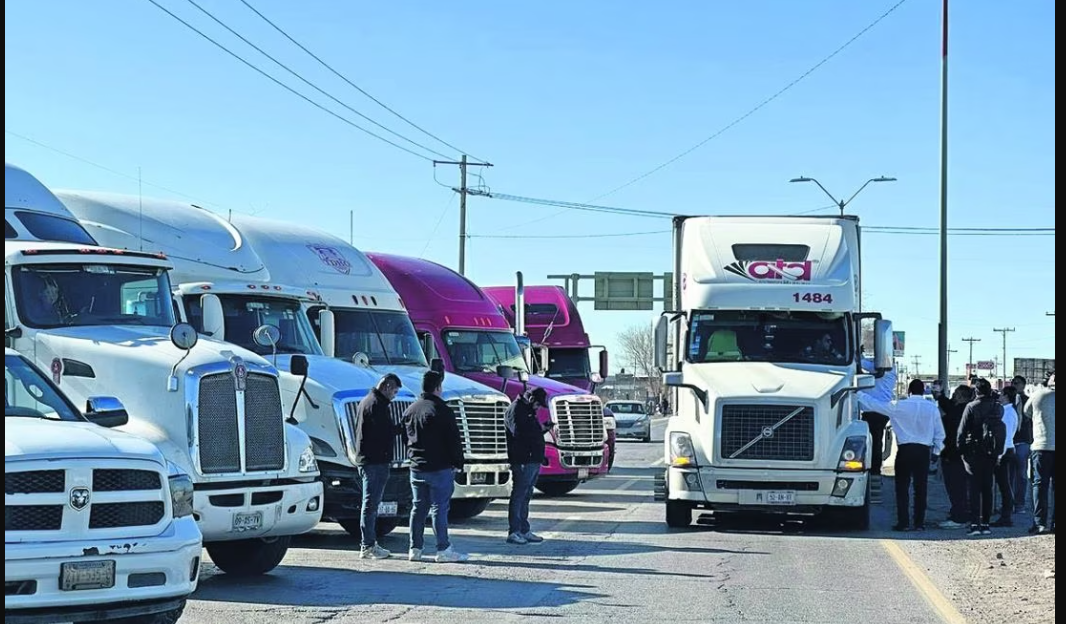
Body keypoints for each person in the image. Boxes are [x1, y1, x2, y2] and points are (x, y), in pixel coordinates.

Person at [859, 378, 945, 531]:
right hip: (924, 451)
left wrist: (858, 394)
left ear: (909, 391)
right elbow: (940, 433)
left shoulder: (899, 405)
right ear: (922, 390)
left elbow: (875, 405)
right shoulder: (932, 408)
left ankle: (903, 523)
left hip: (905, 450)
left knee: (902, 488)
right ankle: (919, 523)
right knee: (921, 488)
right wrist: (937, 452)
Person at [403, 370, 468, 562]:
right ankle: (443, 549)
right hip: (439, 467)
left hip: (416, 467)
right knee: (439, 508)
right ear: (438, 387)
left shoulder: (411, 410)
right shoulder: (442, 410)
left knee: (418, 508)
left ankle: (415, 548)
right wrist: (458, 462)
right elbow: (453, 440)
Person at [353, 373, 403, 560]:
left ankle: (369, 543)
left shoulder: (366, 401)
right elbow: (385, 432)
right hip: (375, 461)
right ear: (387, 387)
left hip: (368, 460)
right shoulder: (377, 405)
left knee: (370, 503)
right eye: (395, 392)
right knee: (371, 504)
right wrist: (402, 427)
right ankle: (368, 545)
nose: (394, 396)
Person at [504, 387, 555, 545]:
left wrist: (542, 429)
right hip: (523, 460)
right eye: (538, 405)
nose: (538, 408)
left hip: (533, 459)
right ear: (531, 399)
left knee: (526, 495)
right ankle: (514, 531)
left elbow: (530, 431)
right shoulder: (516, 410)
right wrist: (538, 430)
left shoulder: (528, 411)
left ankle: (524, 529)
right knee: (519, 494)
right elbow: (519, 433)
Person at [957, 378, 1006, 537]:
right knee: (987, 488)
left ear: (976, 391)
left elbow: (961, 432)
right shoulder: (998, 407)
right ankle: (985, 524)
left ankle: (974, 524)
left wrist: (962, 451)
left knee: (974, 488)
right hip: (991, 453)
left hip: (973, 453)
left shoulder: (971, 407)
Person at [936, 384, 974, 529]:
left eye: (955, 394)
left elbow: (945, 431)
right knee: (966, 487)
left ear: (959, 396)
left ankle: (959, 517)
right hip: (968, 455)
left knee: (955, 487)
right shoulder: (970, 410)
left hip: (953, 455)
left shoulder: (955, 413)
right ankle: (964, 514)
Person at [1024, 370, 1055, 534]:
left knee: (1040, 485)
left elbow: (1026, 412)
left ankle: (1040, 523)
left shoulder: (1037, 395)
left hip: (1041, 446)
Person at [860, 357, 896, 478]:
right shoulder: (884, 369)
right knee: (875, 440)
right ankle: (874, 469)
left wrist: (858, 354)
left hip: (875, 411)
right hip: (877, 411)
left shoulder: (885, 368)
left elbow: (862, 363)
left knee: (874, 441)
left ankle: (874, 470)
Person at [991, 386, 1020, 527]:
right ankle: (1006, 513)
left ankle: (1006, 515)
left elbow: (1005, 436)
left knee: (1005, 485)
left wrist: (999, 455)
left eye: (1001, 394)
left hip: (1005, 451)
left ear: (1007, 396)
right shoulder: (1009, 411)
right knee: (1005, 484)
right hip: (1008, 450)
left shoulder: (1007, 413)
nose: (999, 396)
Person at [1010, 375, 1033, 515]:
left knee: (1021, 474)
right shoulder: (1008, 400)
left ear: (1023, 385)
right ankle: (1009, 502)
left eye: (1017, 383)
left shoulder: (1028, 401)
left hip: (1023, 441)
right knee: (1009, 475)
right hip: (1010, 442)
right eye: (1013, 382)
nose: (1014, 385)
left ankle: (1020, 503)